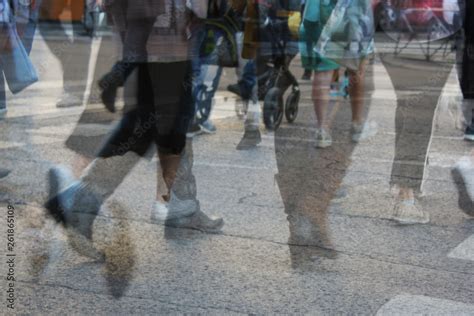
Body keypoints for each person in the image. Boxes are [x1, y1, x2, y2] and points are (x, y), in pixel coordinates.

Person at [44, 0, 224, 260]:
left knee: (168, 126)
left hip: (163, 42)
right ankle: (79, 206)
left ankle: (180, 206)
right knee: (142, 131)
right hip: (157, 45)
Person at [299, 0, 374, 149]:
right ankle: (357, 125)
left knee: (322, 72)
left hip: (319, 12)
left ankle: (321, 130)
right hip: (353, 12)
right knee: (356, 68)